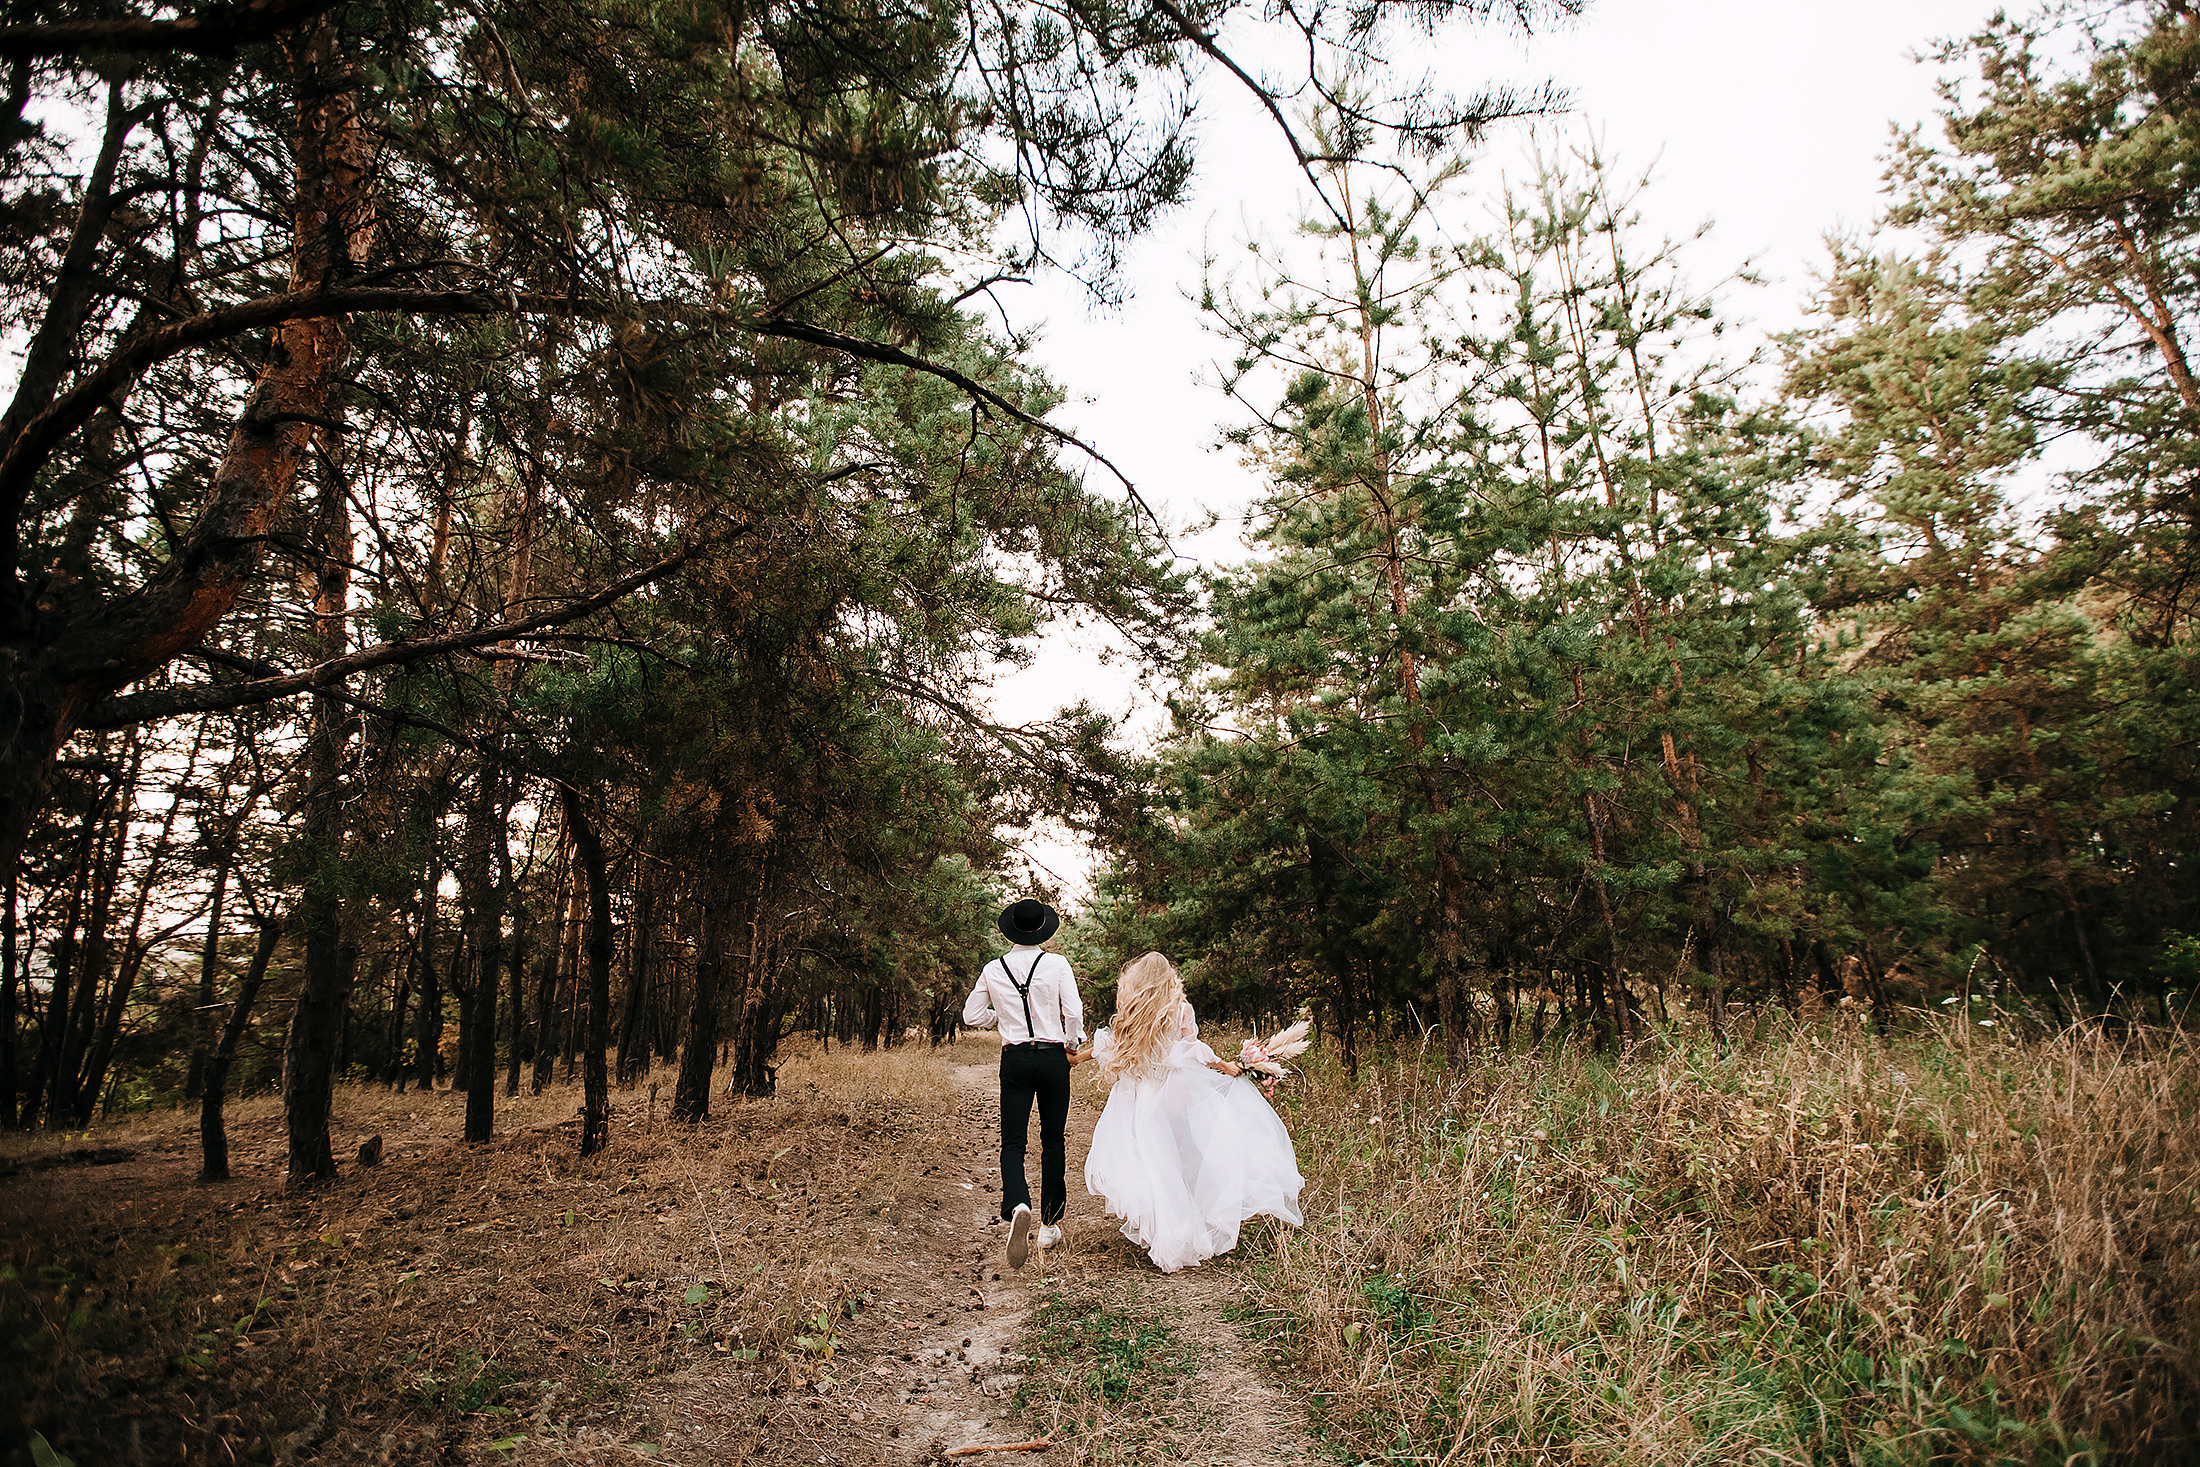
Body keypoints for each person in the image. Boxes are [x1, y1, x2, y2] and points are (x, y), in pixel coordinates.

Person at [1082, 952, 1304, 1273]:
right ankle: (1185, 1222)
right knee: (1180, 1155)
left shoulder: (1132, 1011)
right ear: (1169, 978)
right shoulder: (1180, 1009)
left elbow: (1110, 1045)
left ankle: (1166, 1228)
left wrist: (1078, 1058)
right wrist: (1225, 1065)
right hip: (1176, 1091)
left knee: (1152, 1159)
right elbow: (1192, 1049)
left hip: (1141, 1094)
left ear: (1137, 981)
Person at [963, 898, 1087, 1268]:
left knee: (1013, 1140)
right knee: (1052, 1139)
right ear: (1042, 929)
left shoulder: (993, 968)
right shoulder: (1057, 964)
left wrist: (1000, 1020)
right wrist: (1071, 1043)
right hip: (1052, 1058)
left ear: (1012, 929)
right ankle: (1049, 1224)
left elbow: (971, 1015)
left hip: (1015, 1057)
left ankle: (1018, 1202)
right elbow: (1074, 1012)